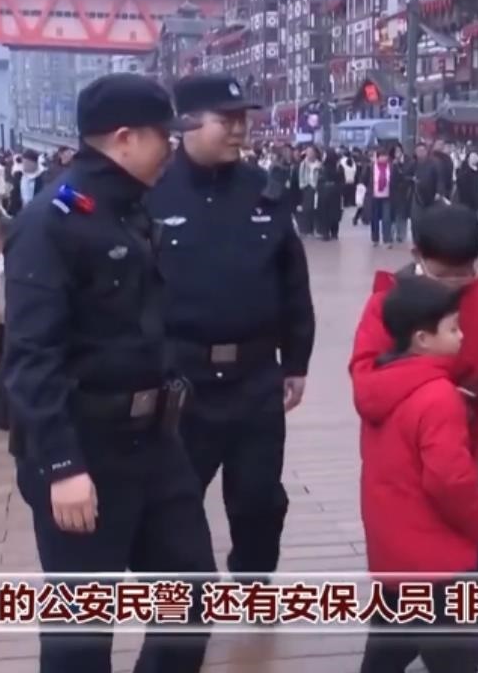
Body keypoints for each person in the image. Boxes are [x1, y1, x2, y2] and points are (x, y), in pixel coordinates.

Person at [1, 73, 215, 673]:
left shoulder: (131, 209)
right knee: (81, 634)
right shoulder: (52, 221)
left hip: (156, 442)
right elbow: (31, 355)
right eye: (163, 136)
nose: (172, 148)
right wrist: (62, 466)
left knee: (190, 599)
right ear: (125, 138)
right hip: (84, 447)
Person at [147, 72, 315, 582]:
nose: (240, 130)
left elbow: (292, 281)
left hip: (256, 379)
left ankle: (254, 583)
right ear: (186, 124)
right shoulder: (152, 193)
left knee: (259, 499)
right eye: (227, 120)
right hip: (181, 379)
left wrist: (297, 361)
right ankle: (187, 599)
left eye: (244, 119)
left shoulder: (264, 192)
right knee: (176, 501)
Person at [350, 204, 478, 581]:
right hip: (403, 452)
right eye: (444, 276)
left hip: (477, 443)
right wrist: (437, 384)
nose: (456, 284)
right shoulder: (389, 303)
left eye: (466, 273)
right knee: (411, 538)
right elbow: (368, 382)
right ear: (418, 256)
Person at [351, 275, 478, 673]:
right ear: (422, 338)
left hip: (392, 553)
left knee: (386, 652)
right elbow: (449, 480)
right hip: (438, 563)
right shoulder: (438, 396)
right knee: (453, 657)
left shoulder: (380, 387)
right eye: (453, 328)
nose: (462, 336)